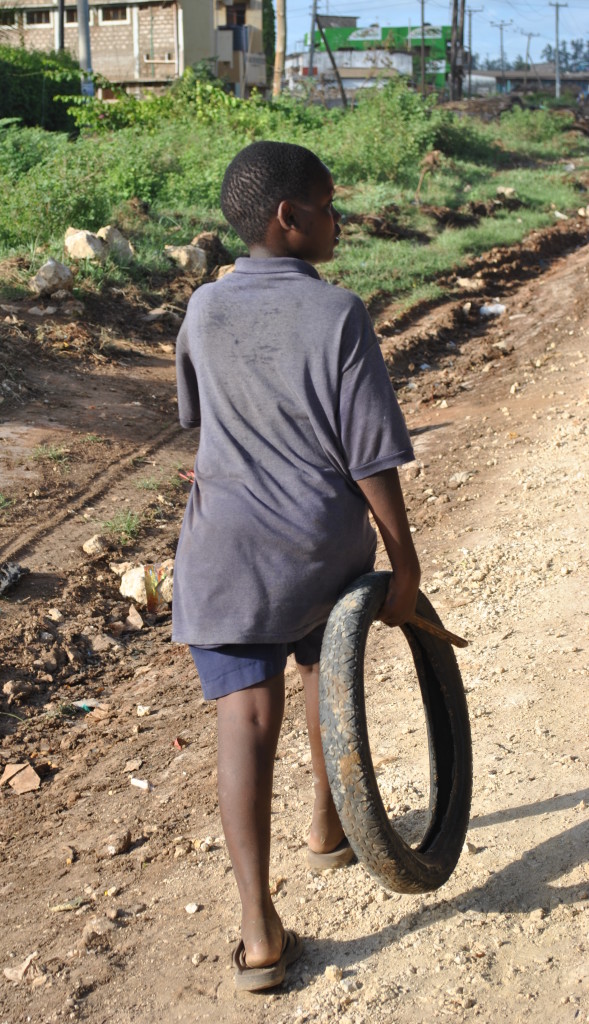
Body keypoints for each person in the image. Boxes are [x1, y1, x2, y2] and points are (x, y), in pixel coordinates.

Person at [172, 141, 421, 992]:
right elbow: (368, 454)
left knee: (243, 721)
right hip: (318, 549)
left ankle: (258, 931)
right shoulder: (338, 312)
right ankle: (326, 825)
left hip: (224, 554)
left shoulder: (202, 309)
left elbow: (199, 425)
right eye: (326, 204)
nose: (337, 218)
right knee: (324, 675)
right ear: (289, 218)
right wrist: (405, 562)